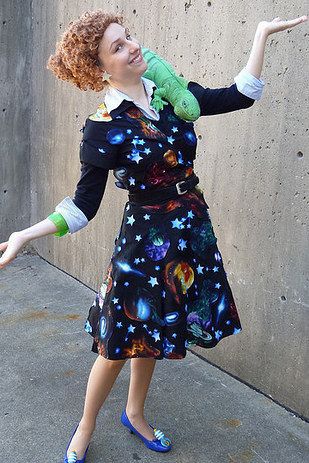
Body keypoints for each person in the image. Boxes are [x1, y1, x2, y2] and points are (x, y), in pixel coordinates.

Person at [0, 9, 307, 463]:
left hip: (189, 230)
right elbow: (83, 204)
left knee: (156, 333)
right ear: (99, 67)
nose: (133, 48)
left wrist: (261, 35)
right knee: (118, 341)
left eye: (130, 38)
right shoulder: (103, 128)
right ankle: (85, 426)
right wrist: (25, 234)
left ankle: (135, 412)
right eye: (118, 47)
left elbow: (240, 95)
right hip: (144, 242)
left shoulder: (169, 94)